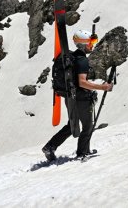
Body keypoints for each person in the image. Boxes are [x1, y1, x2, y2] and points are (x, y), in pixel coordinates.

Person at [42, 30, 113, 161]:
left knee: (72, 125)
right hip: (81, 99)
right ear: (83, 44)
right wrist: (102, 87)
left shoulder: (72, 57)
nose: (93, 45)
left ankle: (50, 146)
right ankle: (83, 152)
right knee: (87, 126)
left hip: (70, 96)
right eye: (90, 42)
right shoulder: (82, 60)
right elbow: (82, 82)